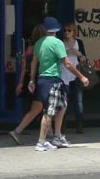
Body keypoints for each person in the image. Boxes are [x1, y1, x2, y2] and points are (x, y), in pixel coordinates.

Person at [29, 16, 89, 151]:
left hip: (43, 79)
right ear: (57, 29)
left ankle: (57, 136)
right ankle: (41, 141)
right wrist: (81, 76)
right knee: (49, 111)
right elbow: (67, 63)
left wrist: (32, 80)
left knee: (62, 106)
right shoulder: (57, 43)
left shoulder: (39, 43)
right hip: (53, 79)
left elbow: (34, 62)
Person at [9, 24, 45, 144]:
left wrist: (20, 83)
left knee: (42, 108)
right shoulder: (41, 48)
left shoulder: (29, 49)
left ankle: (49, 134)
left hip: (30, 80)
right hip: (39, 80)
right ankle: (18, 130)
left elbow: (23, 67)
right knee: (38, 108)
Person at [61, 23, 88, 133]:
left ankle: (79, 124)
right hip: (63, 74)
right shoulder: (61, 44)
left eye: (69, 30)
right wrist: (67, 52)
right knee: (64, 101)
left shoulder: (79, 43)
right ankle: (62, 124)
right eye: (65, 30)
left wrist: (78, 53)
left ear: (74, 32)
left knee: (78, 101)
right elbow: (58, 58)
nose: (67, 32)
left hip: (76, 74)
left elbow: (84, 59)